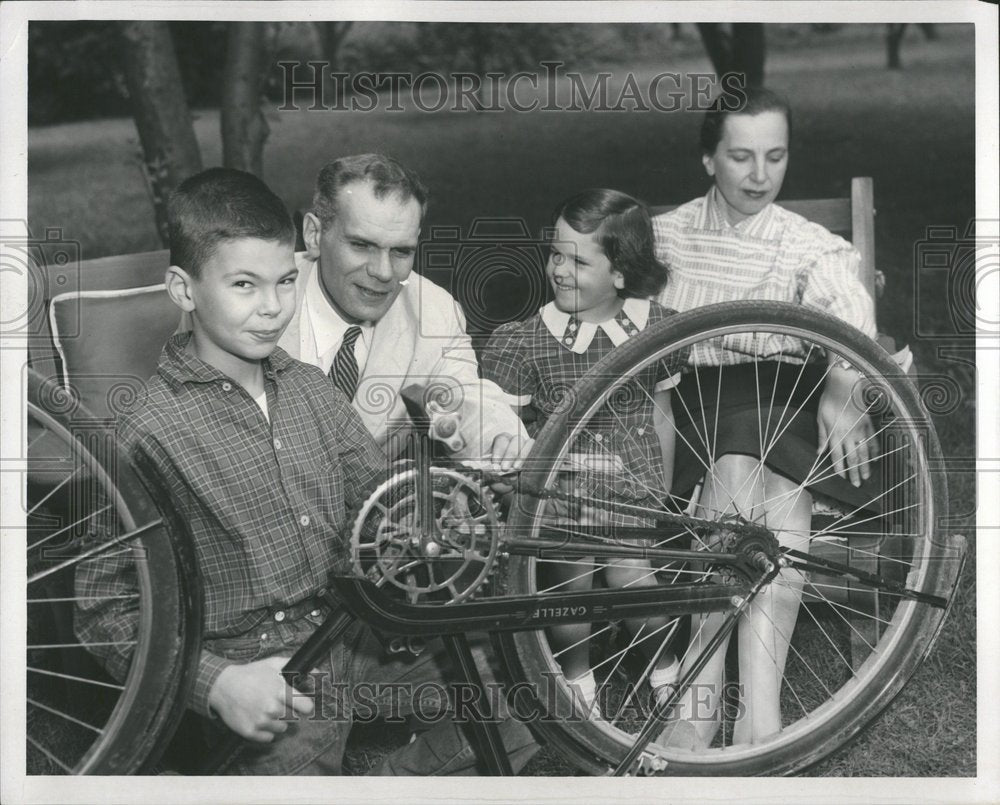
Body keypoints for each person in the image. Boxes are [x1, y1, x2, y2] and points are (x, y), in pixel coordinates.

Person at [75, 168, 537, 775]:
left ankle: (383, 776)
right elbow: (102, 605)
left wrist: (445, 512)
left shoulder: (310, 390)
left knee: (512, 701)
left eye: (286, 282)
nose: (272, 308)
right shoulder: (147, 432)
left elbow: (379, 507)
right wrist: (213, 683)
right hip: (259, 669)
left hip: (353, 633)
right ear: (184, 291)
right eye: (245, 285)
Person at [652, 86, 879, 747]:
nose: (759, 176)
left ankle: (723, 702)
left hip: (791, 405)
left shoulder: (805, 245)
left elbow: (851, 319)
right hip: (694, 403)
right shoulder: (665, 238)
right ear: (707, 159)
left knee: (757, 463)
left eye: (775, 157)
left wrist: (841, 383)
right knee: (740, 460)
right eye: (742, 157)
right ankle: (746, 711)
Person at [481, 189, 686, 719]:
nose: (559, 270)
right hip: (565, 491)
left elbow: (661, 411)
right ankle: (577, 681)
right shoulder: (529, 341)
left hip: (632, 488)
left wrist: (661, 489)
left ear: (620, 273)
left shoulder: (654, 329)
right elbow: (514, 428)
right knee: (569, 594)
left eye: (578, 260)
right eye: (555, 253)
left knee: (634, 584)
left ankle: (666, 669)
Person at [278, 152, 528, 468]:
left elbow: (462, 399)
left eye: (401, 251)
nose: (384, 272)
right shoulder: (256, 294)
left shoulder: (435, 311)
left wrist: (503, 443)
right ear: (314, 235)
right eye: (361, 245)